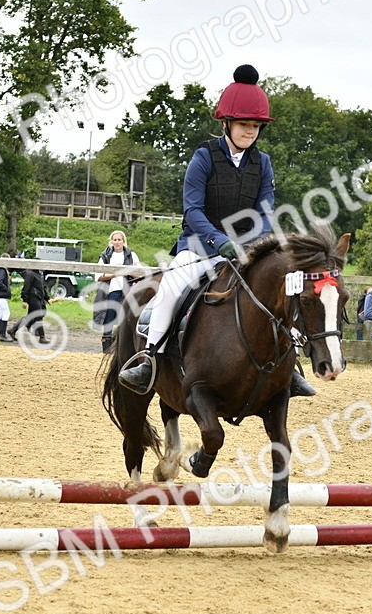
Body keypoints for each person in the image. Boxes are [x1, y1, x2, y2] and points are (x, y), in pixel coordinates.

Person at [119, 64, 315, 397]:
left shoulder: (262, 163)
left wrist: (255, 245)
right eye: (243, 124)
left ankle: (289, 367)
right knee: (169, 290)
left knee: (280, 289)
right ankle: (150, 358)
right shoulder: (204, 157)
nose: (249, 131)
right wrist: (220, 241)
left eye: (255, 126)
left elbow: (265, 212)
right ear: (227, 123)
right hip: (197, 246)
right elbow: (192, 210)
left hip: (247, 249)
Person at [95, 229, 142, 352]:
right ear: (112, 241)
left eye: (119, 240)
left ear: (123, 241)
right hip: (111, 291)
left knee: (126, 319)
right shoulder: (105, 255)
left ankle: (124, 348)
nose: (117, 242)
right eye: (115, 240)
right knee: (109, 319)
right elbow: (98, 276)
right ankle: (106, 349)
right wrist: (116, 274)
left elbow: (140, 273)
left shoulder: (132, 255)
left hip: (128, 290)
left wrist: (129, 272)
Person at [9, 266, 49, 344]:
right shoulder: (30, 274)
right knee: (38, 316)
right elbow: (26, 287)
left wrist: (47, 298)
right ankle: (42, 337)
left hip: (38, 298)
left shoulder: (38, 274)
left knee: (30, 316)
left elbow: (42, 287)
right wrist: (24, 300)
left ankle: (12, 330)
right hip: (33, 297)